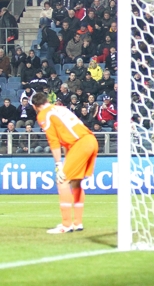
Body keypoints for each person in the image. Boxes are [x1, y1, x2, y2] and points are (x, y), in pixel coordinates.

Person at [32, 92, 99, 234]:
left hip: (80, 144)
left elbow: (53, 141)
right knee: (76, 182)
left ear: (35, 106)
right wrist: (66, 159)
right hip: (90, 140)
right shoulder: (61, 108)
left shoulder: (44, 114)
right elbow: (66, 136)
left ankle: (66, 225)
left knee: (62, 181)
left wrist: (58, 164)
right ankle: (77, 223)